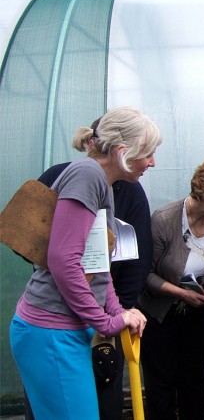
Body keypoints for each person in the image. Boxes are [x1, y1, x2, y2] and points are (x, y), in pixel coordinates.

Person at [9, 106, 162, 420]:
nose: (152, 162)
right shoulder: (88, 175)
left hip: (62, 331)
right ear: (123, 151)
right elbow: (63, 260)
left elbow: (94, 262)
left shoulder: (100, 181)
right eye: (147, 153)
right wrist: (105, 323)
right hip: (50, 332)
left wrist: (118, 310)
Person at [138, 155, 204, 420]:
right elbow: (145, 275)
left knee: (194, 376)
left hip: (199, 311)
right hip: (160, 312)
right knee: (161, 381)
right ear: (202, 193)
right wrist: (181, 293)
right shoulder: (164, 220)